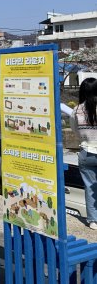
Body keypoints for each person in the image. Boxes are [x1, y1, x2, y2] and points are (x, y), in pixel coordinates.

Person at [70, 77, 97, 230]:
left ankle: (93, 220)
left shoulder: (77, 110)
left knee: (90, 186)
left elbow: (75, 131)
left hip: (86, 152)